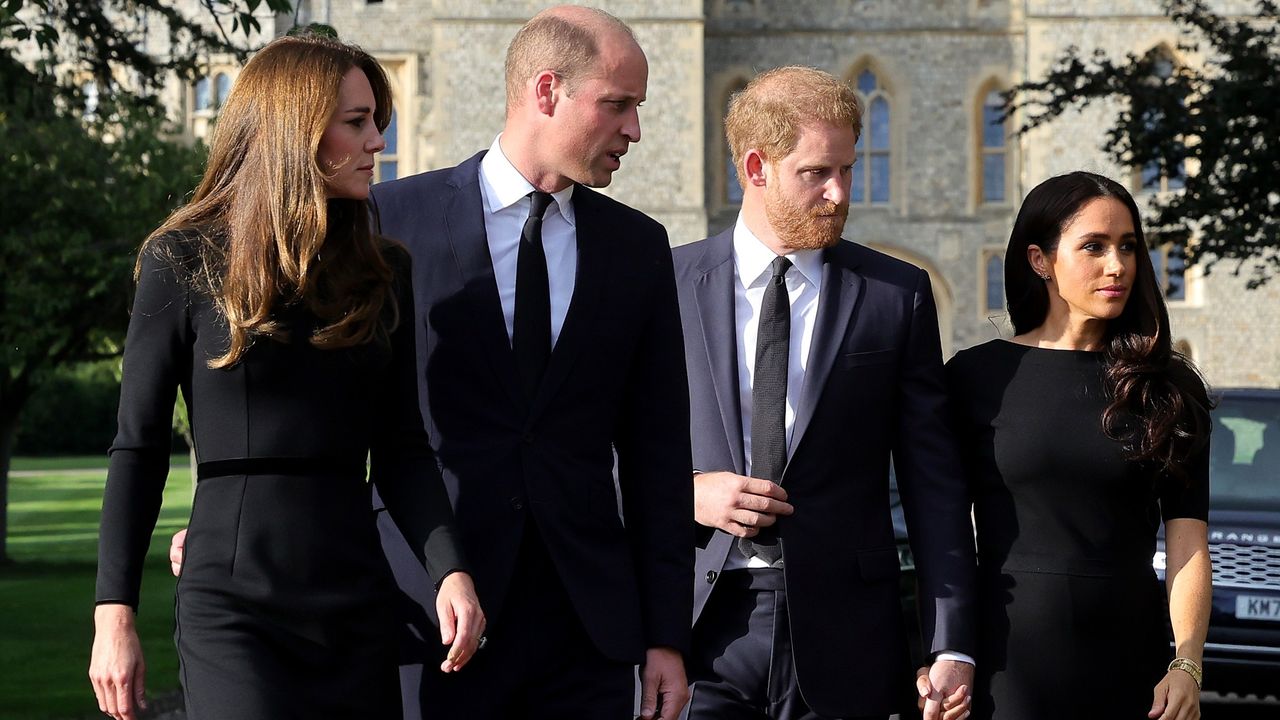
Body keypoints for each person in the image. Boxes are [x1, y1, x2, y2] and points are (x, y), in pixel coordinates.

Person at [89, 34, 483, 720]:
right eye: (356, 122)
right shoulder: (181, 259)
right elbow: (138, 446)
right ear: (294, 127)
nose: (378, 142)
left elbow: (402, 447)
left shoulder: (383, 271)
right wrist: (112, 614)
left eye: (377, 122)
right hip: (232, 606)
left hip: (356, 597)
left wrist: (449, 570)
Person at [369, 6, 692, 719]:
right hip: (433, 615)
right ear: (546, 91)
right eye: (617, 105)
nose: (634, 131)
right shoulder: (393, 220)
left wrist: (667, 637)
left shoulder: (638, 248)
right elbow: (337, 408)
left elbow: (658, 458)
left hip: (588, 630)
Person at [673, 66, 978, 720]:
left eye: (849, 169)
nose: (842, 193)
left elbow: (934, 480)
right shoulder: (667, 283)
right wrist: (685, 490)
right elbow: (598, 444)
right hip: (696, 624)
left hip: (848, 633)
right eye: (817, 173)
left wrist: (951, 641)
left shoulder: (898, 296)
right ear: (755, 167)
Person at [944, 171, 1212, 719]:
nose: (1118, 266)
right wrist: (943, 650)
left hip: (1131, 661)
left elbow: (1188, 539)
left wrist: (1186, 663)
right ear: (1040, 260)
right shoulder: (975, 378)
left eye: (1128, 247)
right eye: (1094, 246)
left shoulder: (1168, 387)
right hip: (1003, 659)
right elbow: (943, 532)